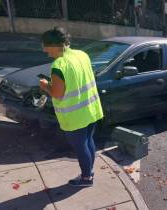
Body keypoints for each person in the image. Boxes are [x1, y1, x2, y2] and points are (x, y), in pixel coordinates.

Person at [39, 27, 104, 187]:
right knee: (89, 141)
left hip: (75, 116)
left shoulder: (59, 65)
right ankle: (89, 171)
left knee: (81, 147)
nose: (44, 50)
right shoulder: (82, 55)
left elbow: (58, 93)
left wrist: (46, 85)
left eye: (45, 46)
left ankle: (86, 178)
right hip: (91, 109)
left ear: (53, 46)